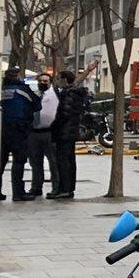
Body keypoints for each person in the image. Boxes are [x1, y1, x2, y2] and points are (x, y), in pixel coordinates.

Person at [49, 69, 90, 200]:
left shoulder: (68, 95)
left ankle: (65, 189)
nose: (57, 81)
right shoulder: (73, 93)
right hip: (69, 132)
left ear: (65, 80)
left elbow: (64, 114)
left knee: (63, 161)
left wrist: (53, 122)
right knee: (69, 160)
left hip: (64, 132)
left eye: (59, 78)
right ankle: (68, 188)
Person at [0, 66, 37, 201]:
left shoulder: (0, 90)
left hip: (1, 129)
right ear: (17, 76)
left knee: (1, 162)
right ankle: (18, 193)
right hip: (19, 129)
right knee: (19, 161)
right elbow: (37, 104)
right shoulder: (22, 90)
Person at [25, 72, 57, 201]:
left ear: (50, 82)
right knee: (35, 163)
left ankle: (56, 188)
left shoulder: (55, 95)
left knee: (53, 162)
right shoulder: (34, 95)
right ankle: (36, 187)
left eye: (46, 81)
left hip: (50, 132)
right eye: (41, 81)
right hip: (34, 133)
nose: (43, 83)